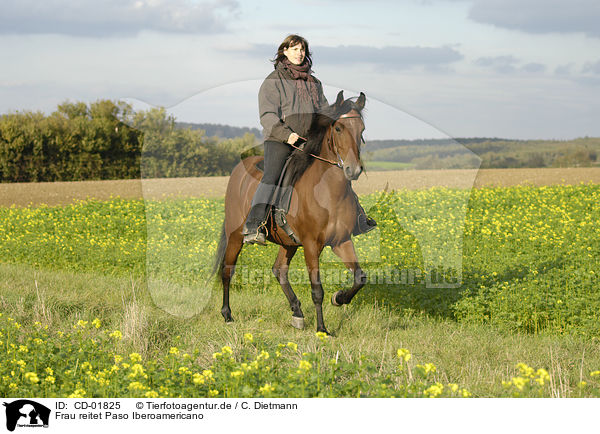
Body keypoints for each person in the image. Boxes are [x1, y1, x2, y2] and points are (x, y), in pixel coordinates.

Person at [242, 34, 376, 245]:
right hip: (279, 139)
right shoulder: (273, 81)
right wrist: (287, 135)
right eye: (294, 49)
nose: (299, 53)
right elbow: (267, 116)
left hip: (308, 141)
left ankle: (358, 218)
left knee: (336, 170)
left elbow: (322, 111)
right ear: (284, 52)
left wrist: (339, 112)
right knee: (273, 174)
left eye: (302, 49)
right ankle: (254, 224)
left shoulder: (314, 82)